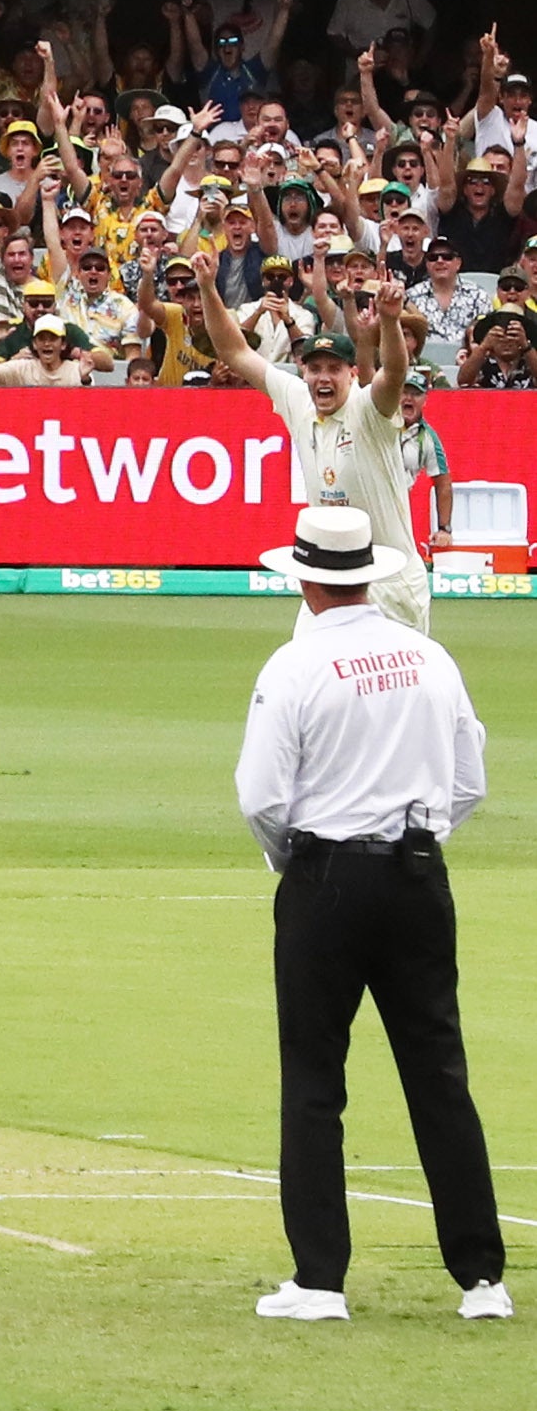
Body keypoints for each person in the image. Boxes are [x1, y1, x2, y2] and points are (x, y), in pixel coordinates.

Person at [236, 505, 508, 1326]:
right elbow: (469, 781)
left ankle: (320, 1280)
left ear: (308, 580)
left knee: (315, 1077)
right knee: (439, 1074)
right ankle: (483, 1280)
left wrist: (301, 865)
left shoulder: (293, 666)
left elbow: (261, 798)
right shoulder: (429, 656)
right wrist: (417, 844)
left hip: (327, 877)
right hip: (420, 877)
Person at [197, 252, 424, 633]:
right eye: (315, 367)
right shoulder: (297, 398)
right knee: (307, 679)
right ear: (302, 369)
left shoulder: (369, 409)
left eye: (334, 368)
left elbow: (395, 372)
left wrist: (388, 320)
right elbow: (234, 351)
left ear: (352, 374)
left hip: (391, 582)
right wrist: (206, 287)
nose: (323, 377)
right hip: (328, 579)